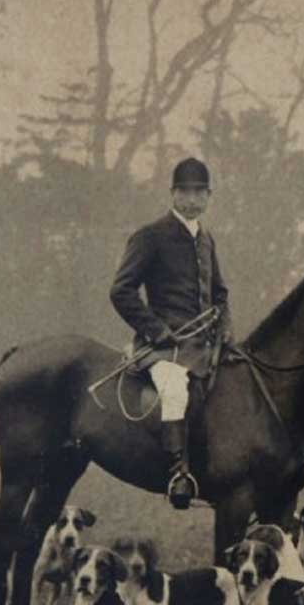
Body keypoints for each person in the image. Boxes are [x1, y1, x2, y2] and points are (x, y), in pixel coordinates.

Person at [110, 157, 231, 509]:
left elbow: (220, 294)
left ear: (209, 196)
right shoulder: (151, 236)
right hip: (161, 346)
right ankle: (179, 473)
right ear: (173, 194)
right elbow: (121, 291)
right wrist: (156, 329)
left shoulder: (206, 239)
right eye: (185, 192)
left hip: (203, 344)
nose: (193, 200)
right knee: (175, 389)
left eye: (200, 193)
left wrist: (225, 329)